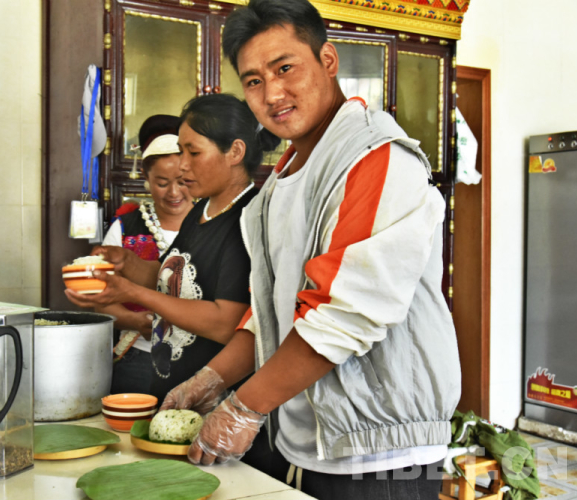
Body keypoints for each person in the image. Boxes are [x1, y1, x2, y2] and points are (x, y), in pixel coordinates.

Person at [159, 1, 462, 499]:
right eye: (253, 80)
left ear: (328, 59)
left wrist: (244, 407)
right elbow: (273, 310)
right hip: (308, 442)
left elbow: (342, 313)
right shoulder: (282, 180)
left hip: (380, 452)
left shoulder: (375, 157)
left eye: (285, 68)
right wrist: (212, 378)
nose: (272, 94)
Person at [65, 93, 280, 401]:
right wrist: (125, 262)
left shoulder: (247, 219)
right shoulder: (201, 211)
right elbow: (172, 279)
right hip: (172, 388)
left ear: (235, 152)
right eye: (181, 151)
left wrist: (132, 293)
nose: (182, 165)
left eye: (193, 152)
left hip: (213, 398)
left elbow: (225, 322)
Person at [96, 114, 193, 395]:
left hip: (203, 357)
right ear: (147, 179)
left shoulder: (210, 224)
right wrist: (137, 322)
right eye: (162, 183)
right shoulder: (125, 228)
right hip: (139, 357)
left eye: (182, 182)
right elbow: (101, 301)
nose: (174, 192)